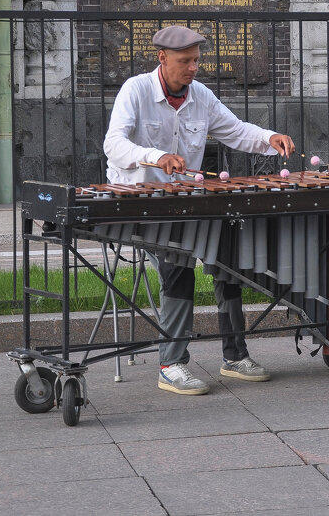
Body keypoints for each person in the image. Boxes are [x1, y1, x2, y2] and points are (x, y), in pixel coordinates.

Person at [104, 25, 296, 394]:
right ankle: (171, 364)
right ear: (162, 58)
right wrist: (156, 157)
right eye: (185, 61)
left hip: (187, 203)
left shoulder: (201, 95)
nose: (193, 68)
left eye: (196, 60)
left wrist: (267, 138)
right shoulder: (136, 90)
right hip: (142, 205)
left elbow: (235, 130)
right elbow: (114, 144)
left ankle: (234, 355)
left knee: (230, 260)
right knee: (180, 267)